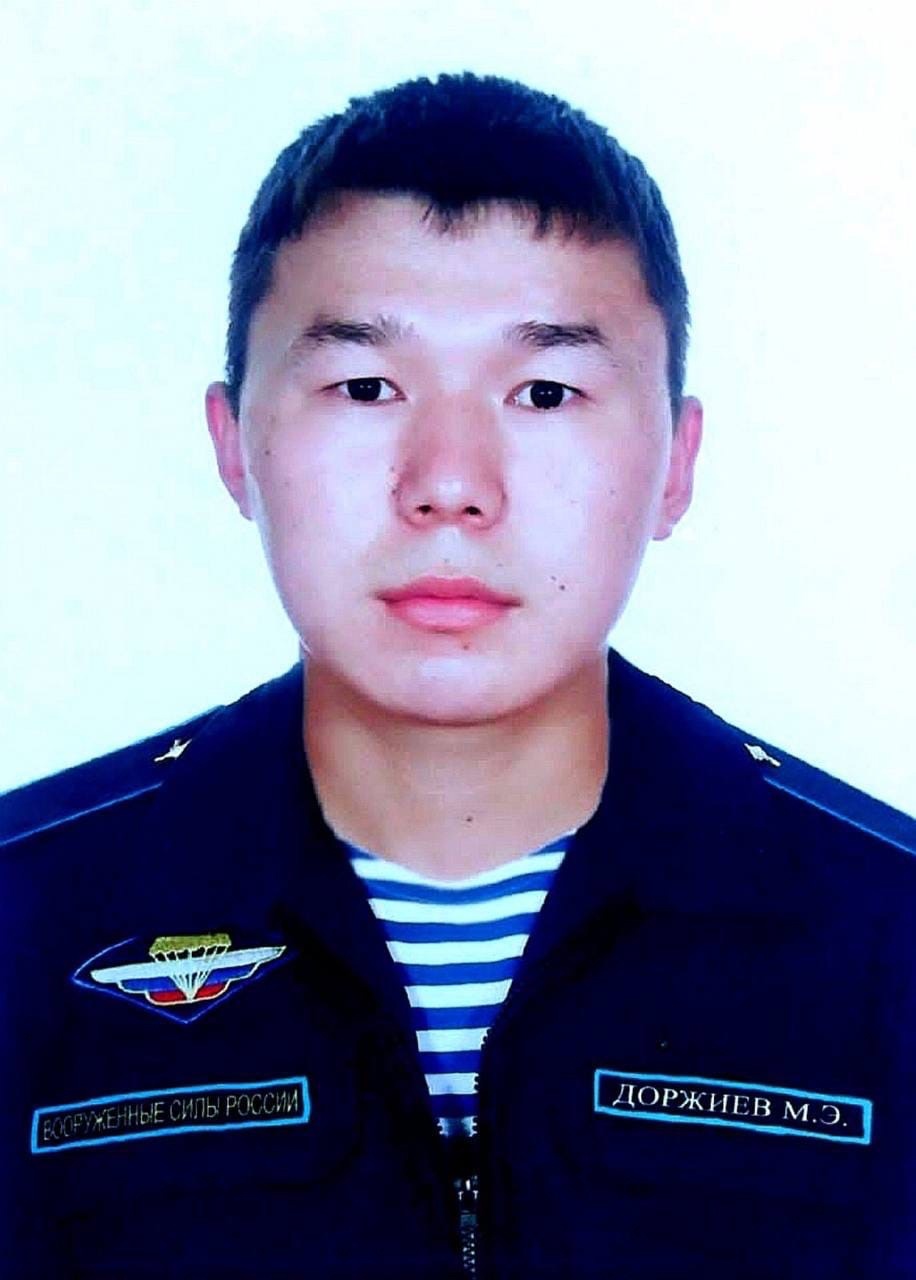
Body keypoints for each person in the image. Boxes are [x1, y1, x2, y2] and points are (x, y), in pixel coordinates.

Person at [1, 71, 914, 1280]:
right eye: (365, 386)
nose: (447, 482)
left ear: (675, 465)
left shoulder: (889, 937)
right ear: (233, 447)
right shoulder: (21, 927)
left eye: (544, 391)